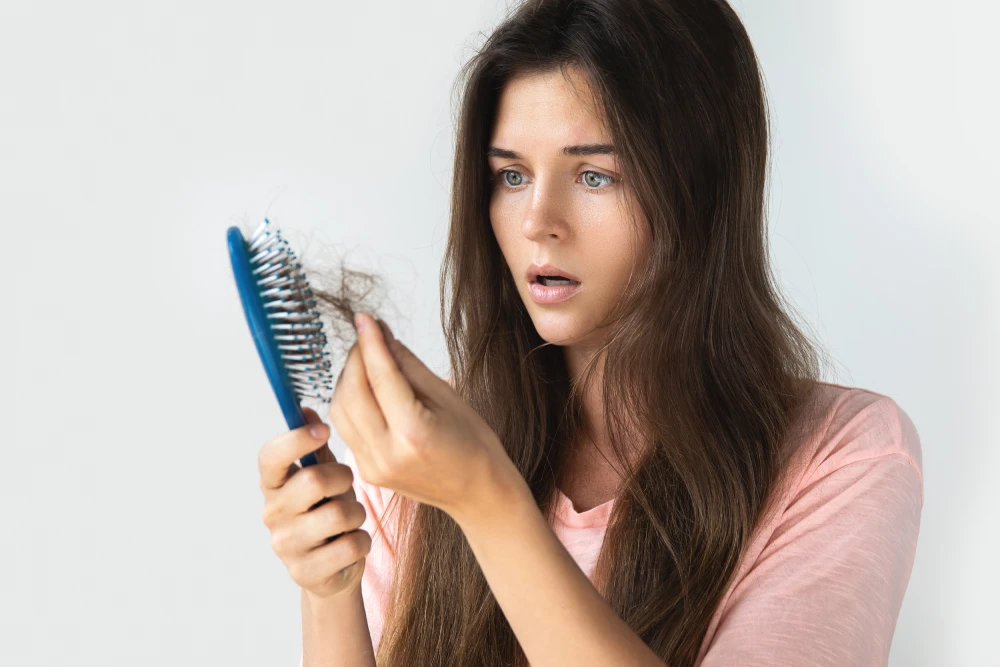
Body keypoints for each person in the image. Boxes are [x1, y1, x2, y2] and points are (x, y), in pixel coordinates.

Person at [258, 1, 924, 665]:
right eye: (511, 175)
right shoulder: (422, 456)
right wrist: (328, 590)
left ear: (700, 190)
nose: (537, 221)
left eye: (595, 175)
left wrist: (487, 499)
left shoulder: (844, 456)